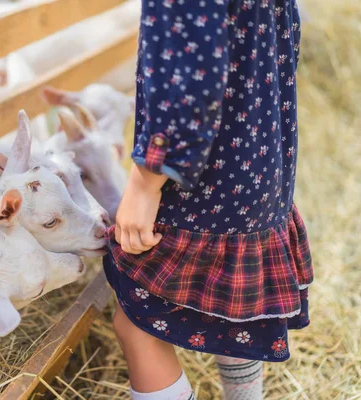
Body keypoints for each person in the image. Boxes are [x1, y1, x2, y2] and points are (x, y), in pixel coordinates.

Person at [104, 1, 313, 399]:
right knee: (240, 317)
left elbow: (190, 74)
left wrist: (146, 180)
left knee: (137, 321)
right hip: (261, 163)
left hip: (204, 180)